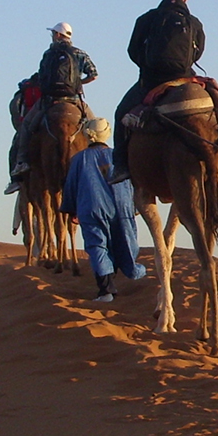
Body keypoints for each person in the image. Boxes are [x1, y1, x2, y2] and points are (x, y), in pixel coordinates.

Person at [116, 0, 206, 180]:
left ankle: (121, 165)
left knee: (121, 113)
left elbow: (133, 50)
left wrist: (149, 66)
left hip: (151, 82)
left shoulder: (146, 19)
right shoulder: (194, 23)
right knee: (215, 101)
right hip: (184, 79)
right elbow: (198, 52)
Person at [6, 22, 100, 194]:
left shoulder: (48, 54)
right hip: (74, 101)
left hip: (49, 101)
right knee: (98, 129)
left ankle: (21, 163)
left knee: (25, 128)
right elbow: (94, 75)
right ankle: (105, 166)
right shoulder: (79, 53)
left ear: (58, 35)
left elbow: (42, 78)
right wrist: (79, 83)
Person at [61, 117, 147, 301]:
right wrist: (135, 207)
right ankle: (127, 274)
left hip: (91, 207)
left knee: (97, 245)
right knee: (124, 241)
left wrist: (71, 209)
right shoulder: (119, 156)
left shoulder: (79, 159)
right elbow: (134, 183)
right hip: (121, 207)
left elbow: (71, 186)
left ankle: (106, 290)